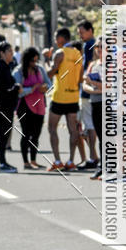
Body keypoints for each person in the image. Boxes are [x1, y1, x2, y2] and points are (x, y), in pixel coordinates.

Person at [45, 28, 83, 171]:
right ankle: (71, 161)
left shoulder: (60, 53)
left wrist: (47, 59)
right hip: (73, 97)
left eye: (56, 37)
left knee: (51, 128)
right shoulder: (78, 53)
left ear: (62, 38)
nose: (55, 41)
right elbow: (80, 78)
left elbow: (50, 74)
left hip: (60, 97)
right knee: (73, 130)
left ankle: (57, 160)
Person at [13, 46, 51, 169]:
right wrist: (31, 89)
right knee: (26, 133)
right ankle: (26, 162)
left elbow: (49, 83)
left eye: (36, 60)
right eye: (32, 61)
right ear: (26, 60)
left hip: (39, 104)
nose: (34, 63)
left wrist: (45, 87)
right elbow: (17, 91)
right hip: (24, 105)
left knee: (36, 134)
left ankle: (33, 160)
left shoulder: (39, 69)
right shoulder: (18, 71)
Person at [0, 42, 19, 173]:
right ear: (2, 53)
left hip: (7, 106)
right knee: (3, 135)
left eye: (12, 51)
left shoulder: (7, 66)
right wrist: (16, 88)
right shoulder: (1, 67)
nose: (12, 54)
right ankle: (2, 164)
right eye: (9, 52)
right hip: (3, 105)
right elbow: (2, 90)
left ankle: (4, 162)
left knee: (5, 134)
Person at [76, 20, 98, 169]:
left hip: (88, 90)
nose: (80, 36)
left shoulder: (90, 45)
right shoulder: (94, 44)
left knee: (88, 124)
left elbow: (88, 67)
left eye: (82, 32)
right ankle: (94, 156)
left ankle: (93, 157)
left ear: (90, 30)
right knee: (88, 125)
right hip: (93, 89)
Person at [82, 39, 103, 180]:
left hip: (109, 104)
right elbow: (84, 85)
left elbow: (110, 86)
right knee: (101, 137)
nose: (99, 49)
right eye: (97, 46)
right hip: (95, 103)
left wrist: (94, 84)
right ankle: (102, 167)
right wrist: (95, 89)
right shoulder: (93, 65)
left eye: (103, 46)